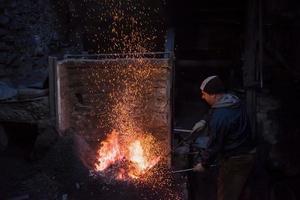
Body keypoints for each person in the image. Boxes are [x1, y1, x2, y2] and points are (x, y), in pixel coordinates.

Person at [192, 75, 256, 200]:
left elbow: (214, 145)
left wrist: (204, 164)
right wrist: (204, 121)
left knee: (226, 194)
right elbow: (214, 110)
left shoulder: (221, 117)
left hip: (236, 160)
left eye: (204, 94)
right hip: (247, 152)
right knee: (241, 189)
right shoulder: (232, 100)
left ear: (214, 95)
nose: (202, 97)